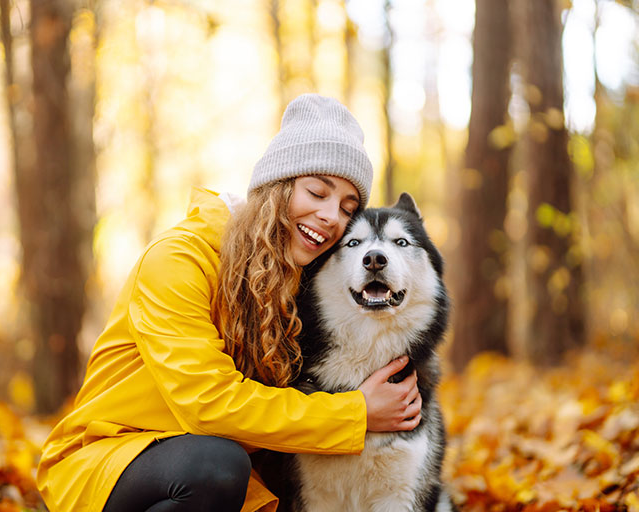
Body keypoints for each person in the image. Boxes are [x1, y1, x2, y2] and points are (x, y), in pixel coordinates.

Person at [36, 94, 423, 512]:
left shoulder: (300, 282)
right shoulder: (178, 260)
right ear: (276, 187)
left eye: (348, 208)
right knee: (216, 465)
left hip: (208, 478)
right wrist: (356, 414)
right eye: (316, 192)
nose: (332, 216)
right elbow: (209, 406)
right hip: (109, 461)